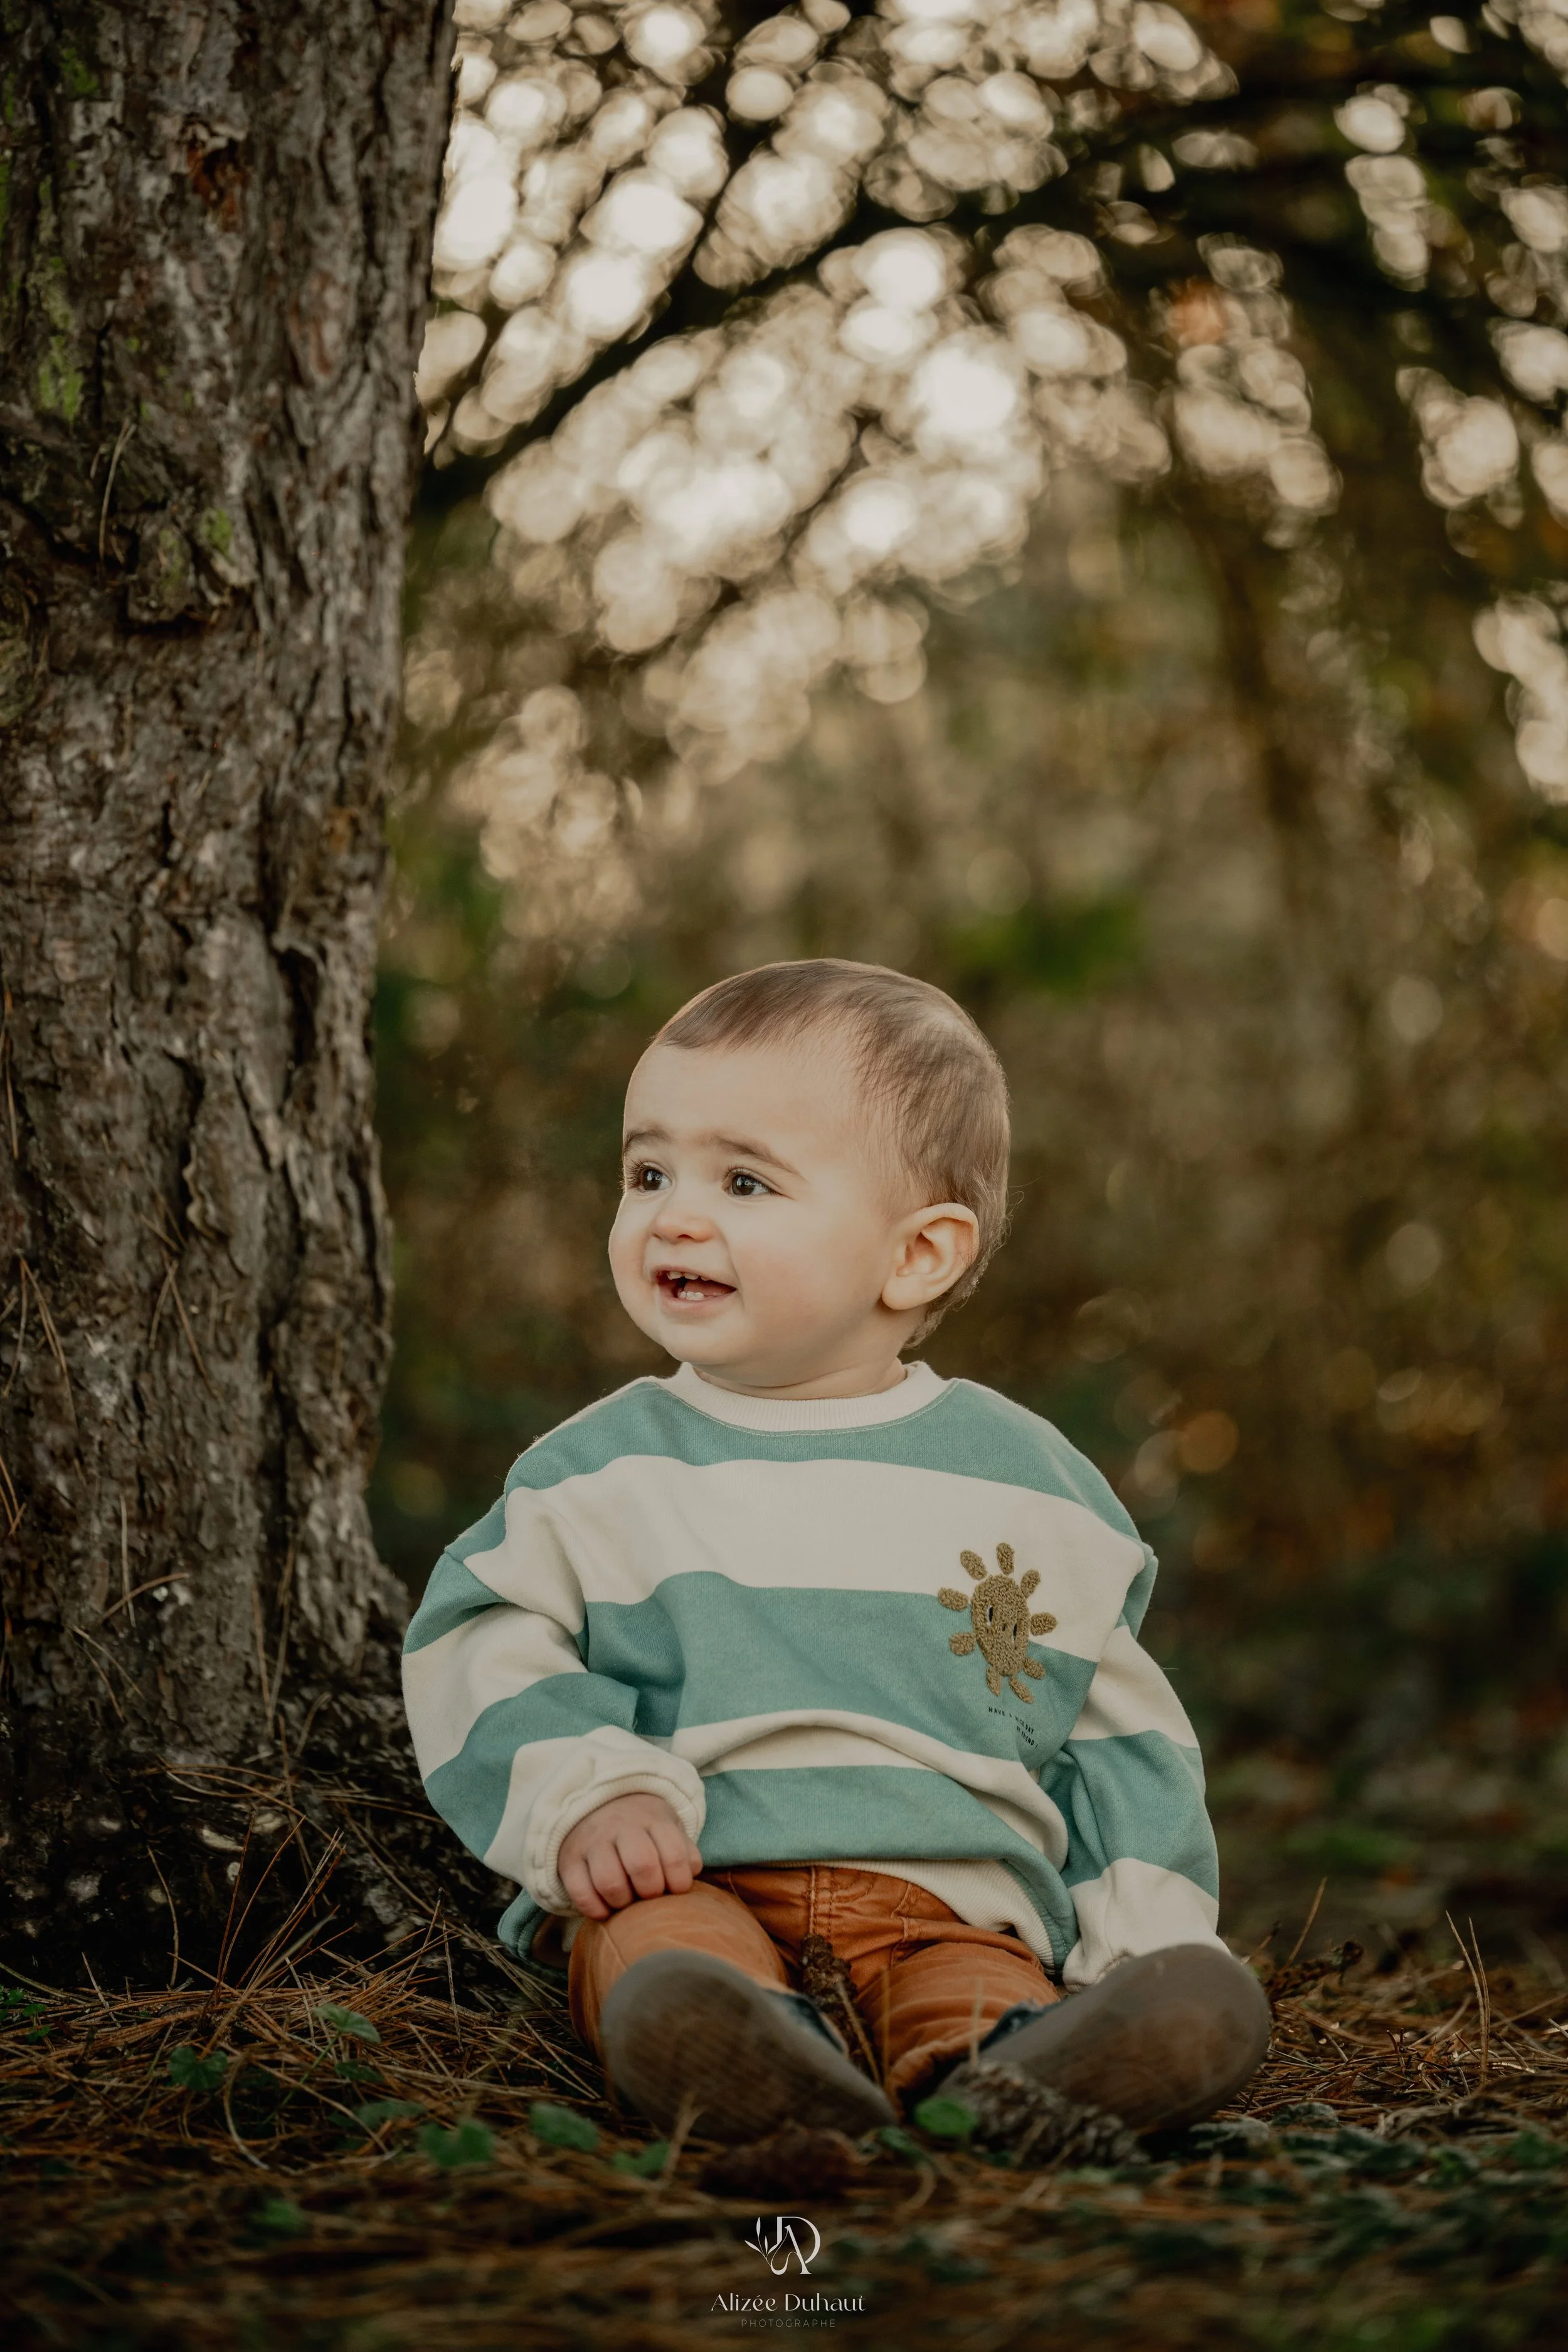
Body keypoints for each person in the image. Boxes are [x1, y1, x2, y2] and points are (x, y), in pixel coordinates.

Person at [401, 960, 1269, 2144]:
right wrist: (587, 1794)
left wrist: (1147, 1939)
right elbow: (481, 1635)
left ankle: (1016, 2077)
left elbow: (1118, 1735)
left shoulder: (1032, 1488)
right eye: (648, 1171)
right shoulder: (596, 1470)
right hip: (684, 1873)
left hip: (948, 1899)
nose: (676, 1214)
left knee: (978, 1993)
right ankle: (738, 2065)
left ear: (916, 1255)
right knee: (664, 1962)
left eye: (745, 1179)